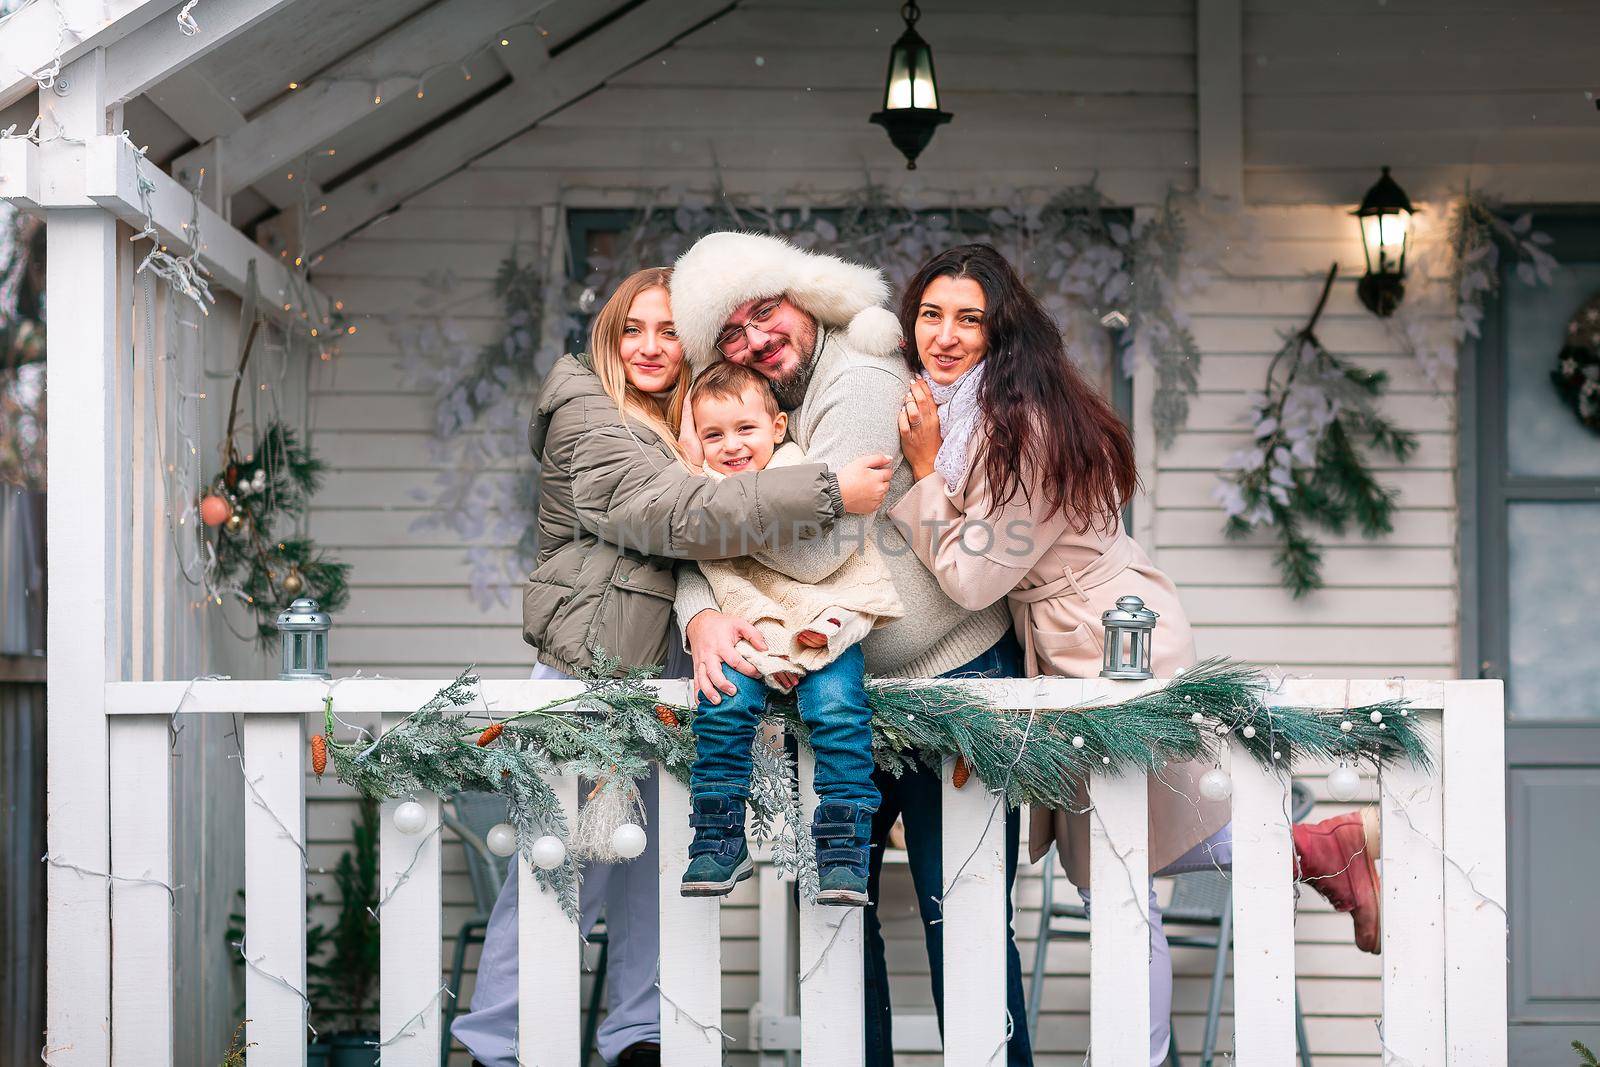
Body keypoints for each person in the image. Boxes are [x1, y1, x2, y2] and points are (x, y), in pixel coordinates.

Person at [889, 243, 1385, 1067]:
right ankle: (1318, 847)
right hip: (1083, 645)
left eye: (968, 318)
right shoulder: (976, 415)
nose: (943, 335)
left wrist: (919, 471)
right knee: (1114, 869)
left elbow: (974, 575)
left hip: (1109, 645)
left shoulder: (1028, 429)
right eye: (931, 314)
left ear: (1001, 332)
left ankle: (1150, 1046)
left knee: (1117, 871)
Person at [452, 267, 893, 1067]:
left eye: (667, 332)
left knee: (650, 873)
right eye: (633, 329)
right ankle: (499, 1043)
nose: (652, 346)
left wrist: (708, 614)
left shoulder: (679, 418)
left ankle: (638, 1038)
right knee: (563, 864)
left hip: (673, 681)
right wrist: (829, 488)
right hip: (596, 672)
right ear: (606, 338)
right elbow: (672, 515)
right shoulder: (586, 413)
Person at [667, 232, 1033, 1066]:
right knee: (836, 921)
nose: (757, 339)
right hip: (836, 694)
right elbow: (688, 546)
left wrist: (710, 528)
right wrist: (700, 615)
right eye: (730, 333)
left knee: (963, 921)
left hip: (950, 681)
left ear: (805, 298)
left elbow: (816, 554)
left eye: (765, 311)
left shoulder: (859, 380)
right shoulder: (750, 414)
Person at [678, 361, 904, 905]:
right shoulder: (697, 492)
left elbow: (845, 565)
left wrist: (830, 626)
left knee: (838, 712)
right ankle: (718, 835)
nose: (731, 446)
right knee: (724, 706)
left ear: (778, 427)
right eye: (713, 435)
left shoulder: (804, 473)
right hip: (748, 626)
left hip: (820, 625)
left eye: (745, 430)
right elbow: (692, 555)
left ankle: (844, 845)